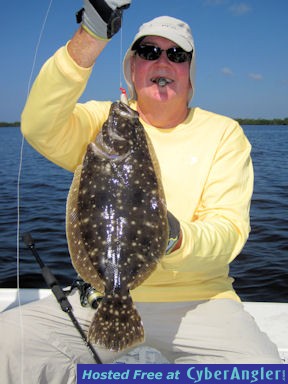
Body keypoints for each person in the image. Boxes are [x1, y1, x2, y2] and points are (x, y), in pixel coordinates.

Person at [0, 1, 282, 382]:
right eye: (148, 52)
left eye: (177, 54)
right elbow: (38, 125)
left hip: (201, 301)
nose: (162, 62)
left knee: (260, 373)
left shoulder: (224, 133)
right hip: (100, 296)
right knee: (7, 345)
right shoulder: (101, 122)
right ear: (132, 67)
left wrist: (173, 237)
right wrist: (93, 33)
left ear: (189, 70)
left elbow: (229, 231)